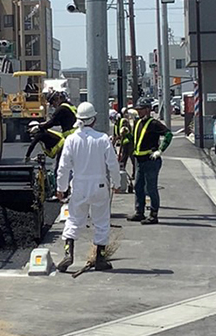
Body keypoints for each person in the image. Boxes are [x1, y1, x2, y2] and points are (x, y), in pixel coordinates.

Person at [55, 102, 121, 272]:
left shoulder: (71, 140)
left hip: (79, 186)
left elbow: (63, 167)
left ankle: (68, 254)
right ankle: (100, 258)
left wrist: (61, 188)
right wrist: (117, 183)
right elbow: (113, 164)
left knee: (74, 220)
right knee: (101, 222)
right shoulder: (103, 139)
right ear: (94, 119)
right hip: (99, 186)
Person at [128, 97, 173, 224]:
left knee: (151, 188)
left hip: (150, 160)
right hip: (140, 161)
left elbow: (169, 134)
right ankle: (139, 212)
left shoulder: (153, 123)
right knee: (138, 187)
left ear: (148, 109)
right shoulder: (137, 123)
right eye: (138, 109)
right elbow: (136, 140)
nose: (138, 111)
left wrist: (160, 150)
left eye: (141, 109)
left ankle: (153, 215)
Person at [113, 107, 136, 193]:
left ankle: (134, 174)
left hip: (128, 143)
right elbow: (116, 134)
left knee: (132, 158)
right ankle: (121, 173)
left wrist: (122, 134)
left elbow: (126, 131)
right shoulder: (116, 123)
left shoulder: (123, 121)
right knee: (123, 159)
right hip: (123, 143)